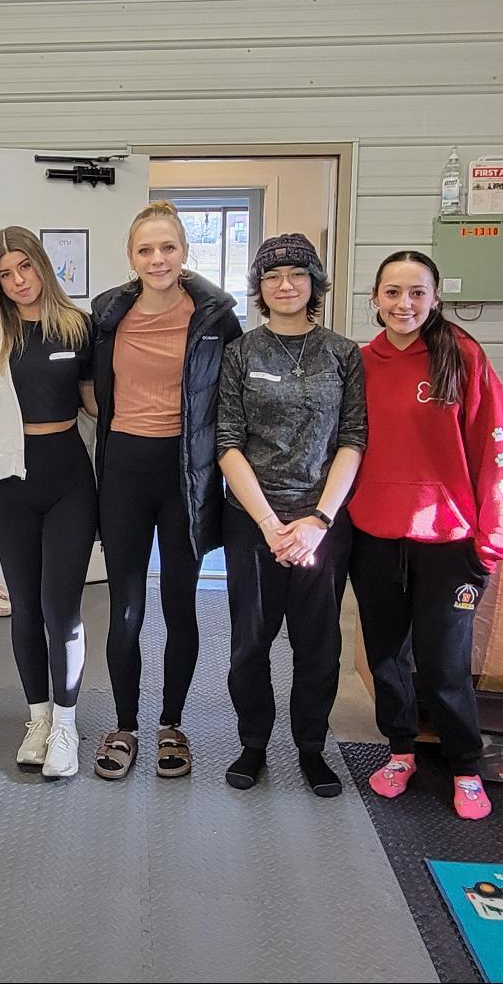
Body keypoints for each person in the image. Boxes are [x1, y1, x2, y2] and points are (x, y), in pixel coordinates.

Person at [348, 250, 503, 820]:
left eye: (417, 292)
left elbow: (494, 447)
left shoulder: (462, 357)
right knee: (386, 656)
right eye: (393, 292)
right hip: (375, 536)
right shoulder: (359, 364)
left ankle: (465, 765)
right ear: (375, 299)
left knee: (444, 663)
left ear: (436, 298)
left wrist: (493, 537)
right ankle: (401, 751)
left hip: (449, 541)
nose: (405, 304)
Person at [89, 200, 242, 780]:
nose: (158, 259)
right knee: (126, 607)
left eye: (168, 247)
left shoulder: (217, 318)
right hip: (125, 471)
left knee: (181, 604)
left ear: (185, 252)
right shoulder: (107, 315)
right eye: (145, 249)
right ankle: (125, 726)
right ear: (131, 257)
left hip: (187, 473)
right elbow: (88, 386)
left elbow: (234, 398)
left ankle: (171, 724)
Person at [216, 234, 366, 796]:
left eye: (298, 275)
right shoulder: (241, 353)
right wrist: (268, 525)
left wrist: (319, 521)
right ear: (259, 287)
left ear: (315, 283)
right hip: (253, 520)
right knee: (250, 641)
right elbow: (227, 442)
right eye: (273, 276)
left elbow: (353, 438)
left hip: (321, 523)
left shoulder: (342, 353)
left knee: (318, 643)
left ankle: (311, 748)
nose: (286, 285)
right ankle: (253, 743)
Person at [0, 227, 97, 778]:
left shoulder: (78, 326)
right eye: (5, 274)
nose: (18, 280)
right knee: (25, 605)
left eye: (25, 267)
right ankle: (38, 719)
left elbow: (95, 405)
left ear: (42, 265)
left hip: (69, 481)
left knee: (61, 607)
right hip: (11, 484)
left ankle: (66, 724)